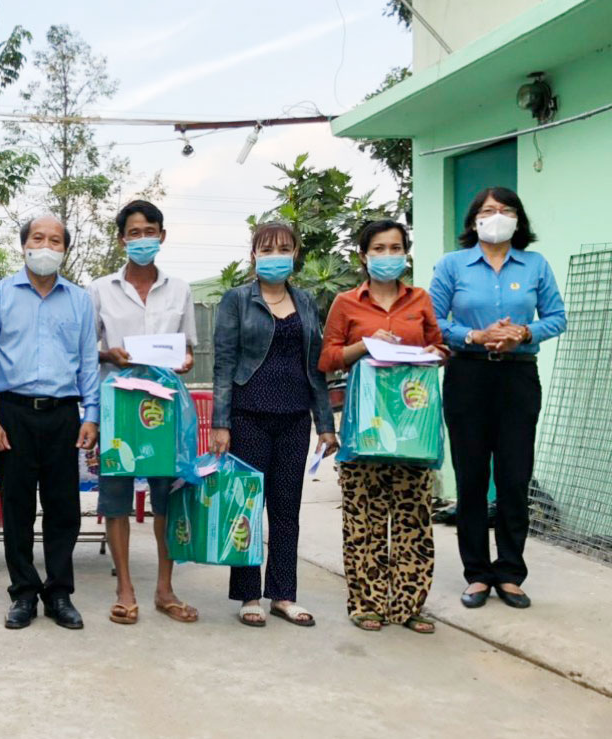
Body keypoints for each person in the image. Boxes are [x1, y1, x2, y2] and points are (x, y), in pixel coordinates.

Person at [430, 187, 566, 610]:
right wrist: (474, 335)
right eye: (488, 210)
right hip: (467, 375)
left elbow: (557, 317)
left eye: (506, 210)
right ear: (474, 220)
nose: (497, 216)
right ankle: (476, 573)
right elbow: (432, 320)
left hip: (518, 376)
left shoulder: (535, 264)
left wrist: (523, 332)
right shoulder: (452, 265)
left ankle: (509, 572)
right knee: (471, 478)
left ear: (518, 219)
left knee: (514, 476)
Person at [0, 214, 100, 631]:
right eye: (38, 238)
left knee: (64, 508)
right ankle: (23, 593)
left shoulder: (79, 300)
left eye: (55, 240)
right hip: (12, 414)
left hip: (63, 414)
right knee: (17, 507)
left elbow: (88, 362)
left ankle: (59, 593)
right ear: (24, 244)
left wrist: (92, 415)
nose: (46, 246)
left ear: (65, 249)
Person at [319, 220, 445, 633]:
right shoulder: (346, 303)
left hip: (412, 425)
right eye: (379, 248)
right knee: (364, 518)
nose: (388, 255)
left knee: (412, 517)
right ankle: (366, 604)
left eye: (395, 248)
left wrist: (429, 352)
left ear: (405, 254)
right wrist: (367, 344)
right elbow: (328, 358)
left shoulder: (420, 299)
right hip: (365, 426)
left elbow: (440, 347)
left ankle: (409, 605)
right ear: (364, 255)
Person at [211, 222, 338, 628]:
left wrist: (325, 423)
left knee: (286, 510)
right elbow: (223, 363)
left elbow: (316, 367)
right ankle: (249, 594)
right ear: (254, 255)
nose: (275, 256)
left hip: (294, 418)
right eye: (267, 249)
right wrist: (220, 422)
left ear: (296, 253)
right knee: (246, 507)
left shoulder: (305, 300)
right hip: (248, 416)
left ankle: (283, 595)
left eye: (284, 248)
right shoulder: (237, 300)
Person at [87, 199, 198, 625]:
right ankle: (125, 589)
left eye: (150, 232)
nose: (142, 240)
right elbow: (86, 351)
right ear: (122, 240)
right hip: (120, 405)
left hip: (165, 405)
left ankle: (165, 590)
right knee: (116, 499)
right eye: (134, 233)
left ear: (162, 236)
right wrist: (108, 354)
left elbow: (188, 349)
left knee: (166, 498)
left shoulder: (180, 289)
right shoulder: (100, 289)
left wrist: (185, 361)